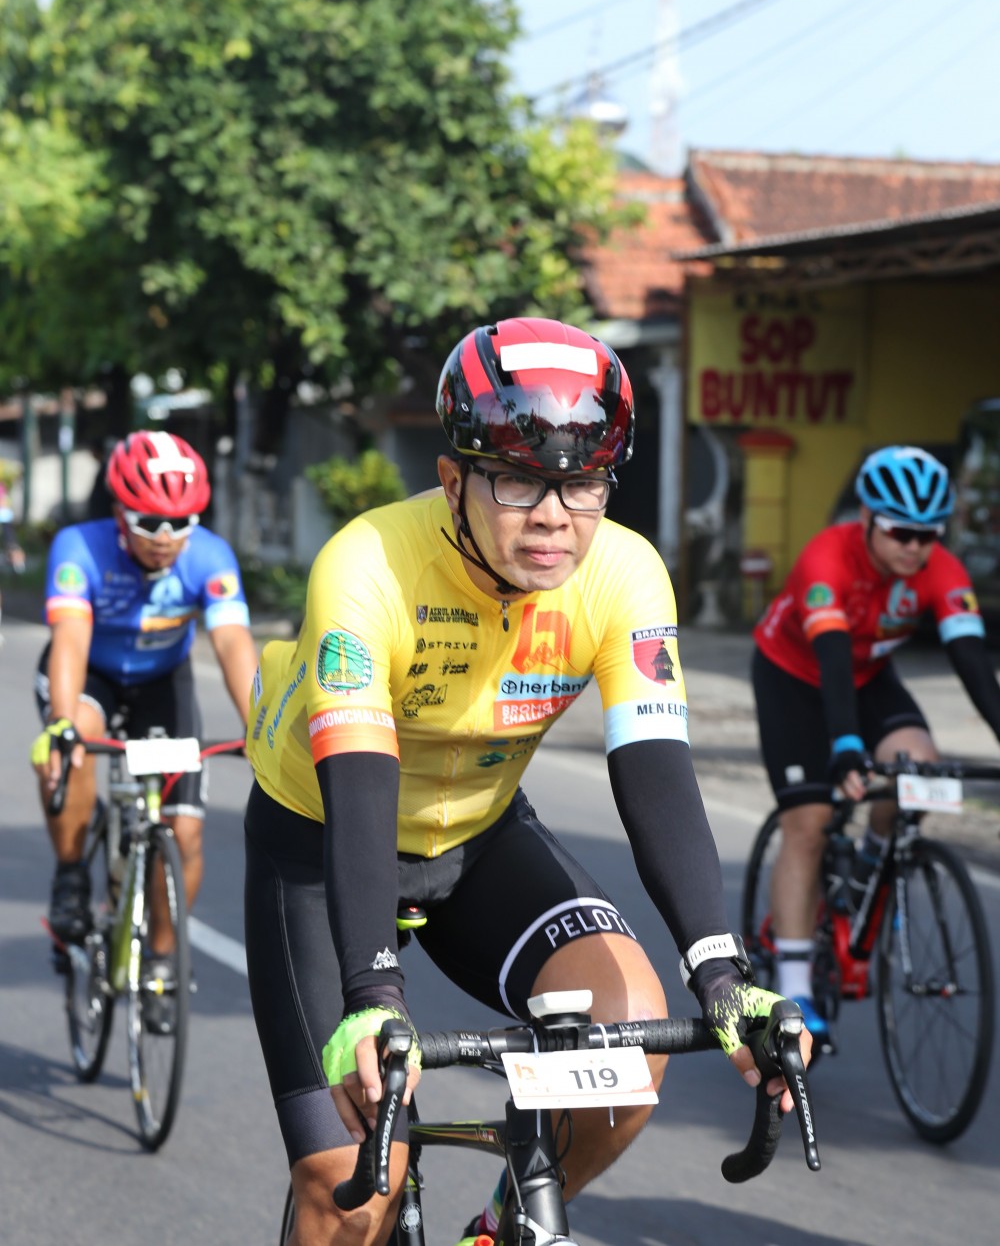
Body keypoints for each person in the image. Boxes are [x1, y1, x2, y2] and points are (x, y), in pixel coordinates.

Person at [244, 317, 809, 1246]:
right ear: (452, 480)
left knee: (630, 1045)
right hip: (323, 839)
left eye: (584, 483)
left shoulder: (625, 572)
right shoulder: (366, 564)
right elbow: (359, 782)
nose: (554, 516)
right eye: (518, 480)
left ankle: (504, 1228)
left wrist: (722, 973)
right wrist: (372, 995)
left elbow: (658, 775)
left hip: (479, 837)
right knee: (351, 1183)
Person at [752, 444, 1000, 1045]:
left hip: (868, 677)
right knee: (809, 823)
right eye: (901, 533)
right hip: (795, 676)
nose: (915, 547)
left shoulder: (940, 569)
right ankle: (796, 990)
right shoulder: (825, 558)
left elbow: (970, 658)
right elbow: (831, 656)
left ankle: (869, 868)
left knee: (920, 768)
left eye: (928, 535)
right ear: (866, 518)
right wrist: (845, 745)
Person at [31, 429, 258, 998]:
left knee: (184, 832)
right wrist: (62, 723)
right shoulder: (79, 548)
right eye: (150, 522)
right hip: (91, 674)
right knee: (72, 745)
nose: (165, 538)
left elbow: (232, 642)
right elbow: (70, 637)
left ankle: (161, 958)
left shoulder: (209, 556)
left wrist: (261, 725)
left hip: (161, 681)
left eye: (181, 522)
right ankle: (69, 875)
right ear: (119, 513)